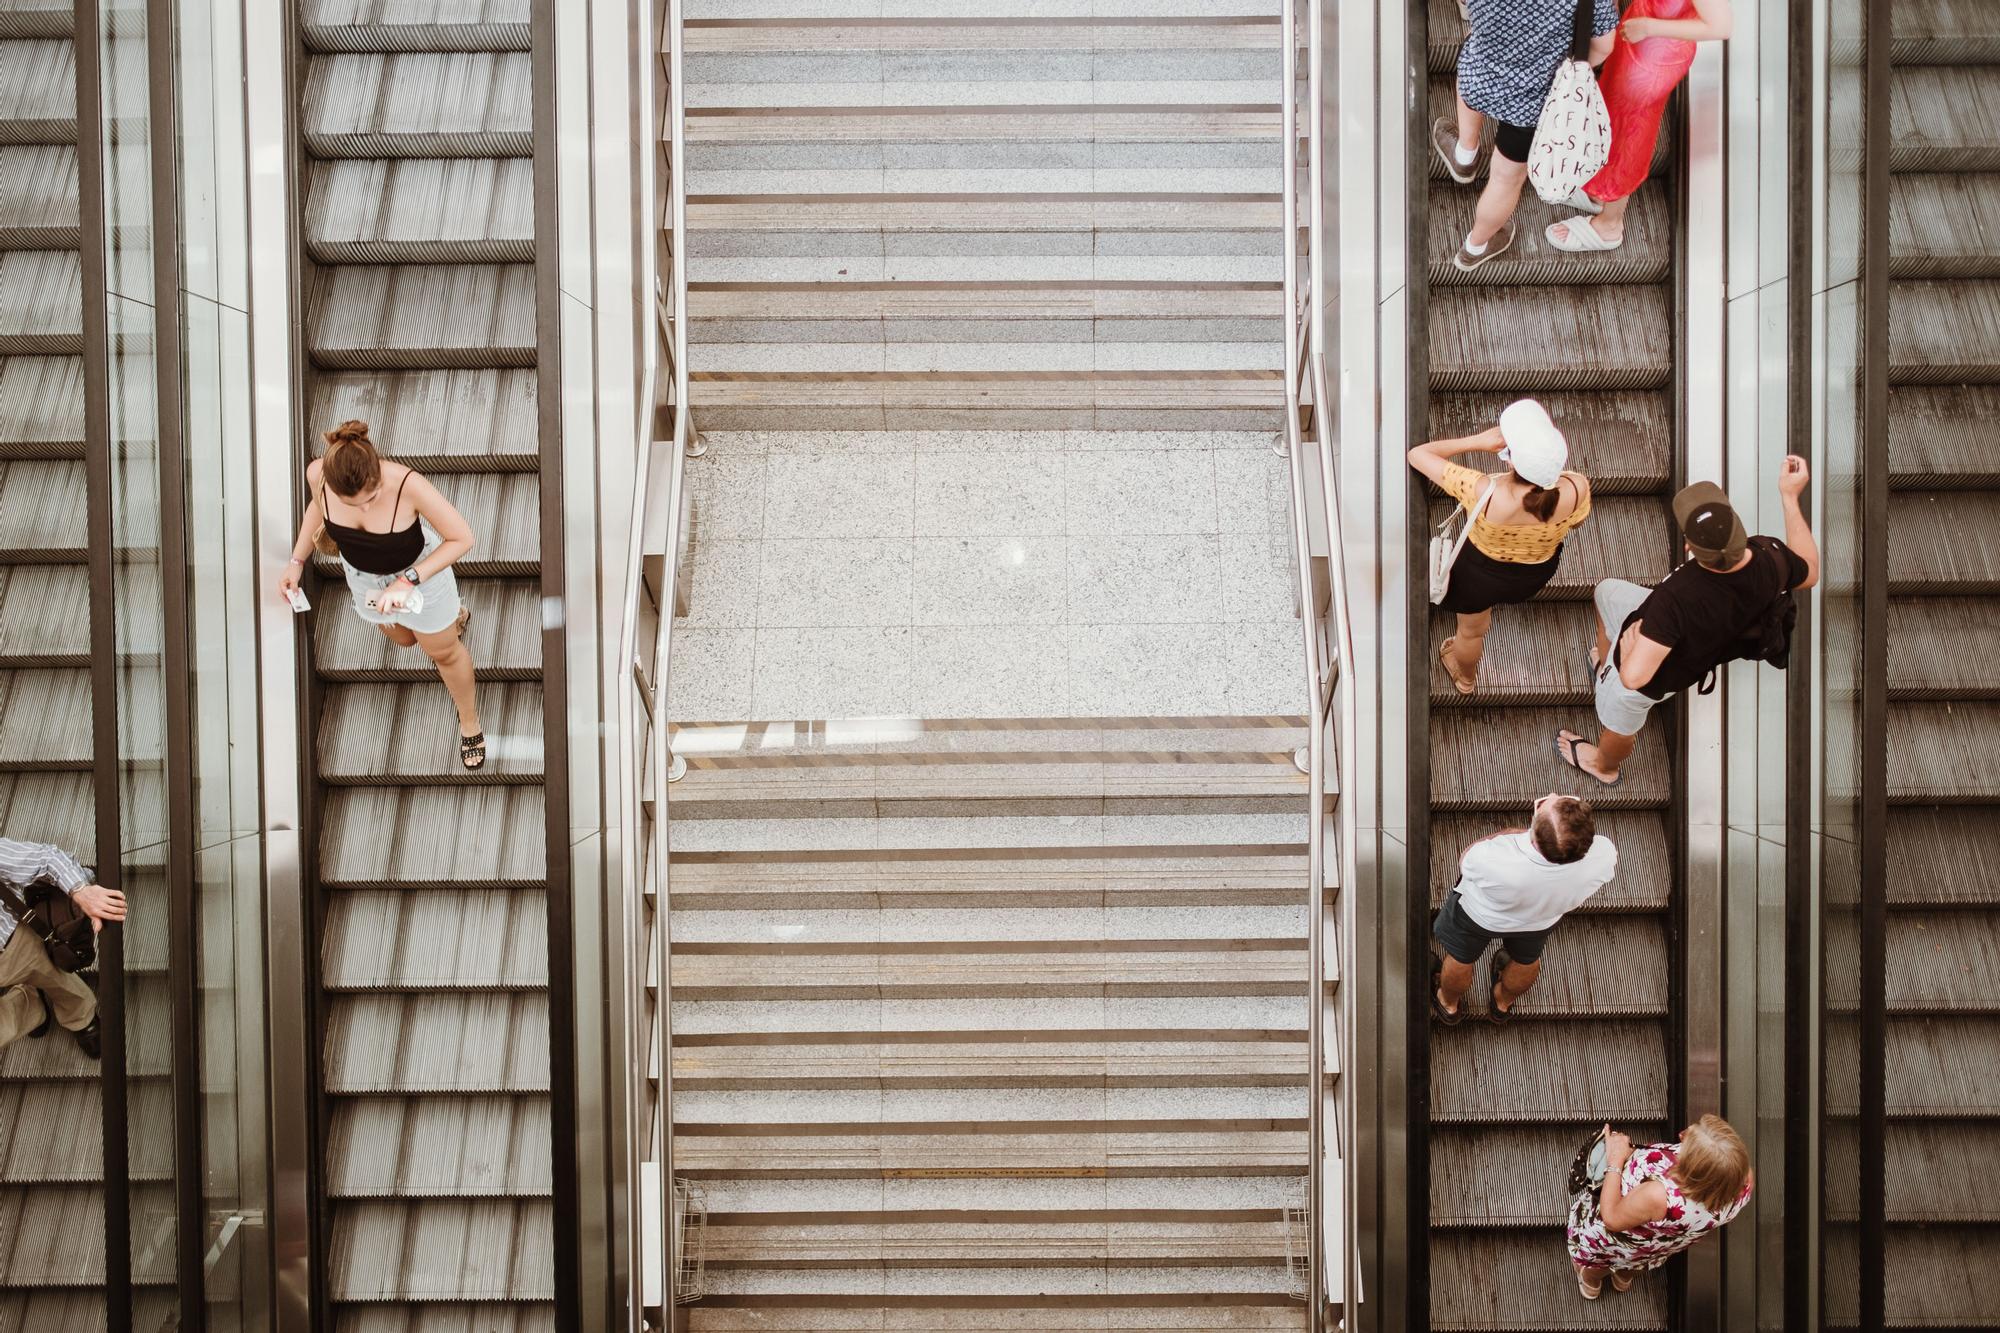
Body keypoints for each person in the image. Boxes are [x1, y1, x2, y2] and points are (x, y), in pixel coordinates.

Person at [1557, 457, 1819, 786]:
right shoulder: (1772, 557)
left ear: (1689, 548)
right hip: (1696, 645)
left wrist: (1629, 653)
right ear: (1738, 529)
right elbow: (1810, 571)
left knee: (1620, 715)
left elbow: (1635, 677)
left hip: (1653, 669)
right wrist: (1790, 497)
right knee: (1607, 593)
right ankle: (1606, 667)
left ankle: (1604, 765)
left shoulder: (1677, 599)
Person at [278, 421, 486, 770]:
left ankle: (469, 722)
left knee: (443, 652)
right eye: (350, 502)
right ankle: (452, 618)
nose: (362, 509)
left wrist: (407, 582)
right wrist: (297, 561)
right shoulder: (319, 474)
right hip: (364, 580)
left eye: (372, 499)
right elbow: (317, 506)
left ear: (377, 475)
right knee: (405, 639)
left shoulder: (408, 484)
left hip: (417, 576)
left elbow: (463, 538)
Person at [1409, 399, 1593, 694]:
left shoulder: (1485, 492)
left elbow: (1418, 455)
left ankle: (1466, 679)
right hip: (1535, 572)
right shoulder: (1576, 486)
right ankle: (1466, 677)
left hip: (1477, 575)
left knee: (1471, 633)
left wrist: (1478, 441)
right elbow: (1576, 522)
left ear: (1509, 458)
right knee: (1483, 619)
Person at [1435, 0, 1618, 271]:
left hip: (1481, 74)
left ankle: (1465, 154)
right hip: (1537, 103)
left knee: (1471, 66)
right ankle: (1475, 247)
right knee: (1505, 179)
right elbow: (1603, 44)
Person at [1547, 0, 1734, 254]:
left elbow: (1721, 26)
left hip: (1652, 57)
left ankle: (1610, 224)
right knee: (1611, 117)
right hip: (1638, 37)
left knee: (1627, 135)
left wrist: (1649, 27)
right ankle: (1597, 191)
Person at [1431, 792, 1615, 1025]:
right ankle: (1502, 1003)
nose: (1551, 795)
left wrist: (1509, 834)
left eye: (1543, 805)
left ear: (1535, 836)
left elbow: (1466, 860)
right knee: (1527, 960)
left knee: (1461, 956)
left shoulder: (1495, 858)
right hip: (1540, 921)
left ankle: (1448, 1003)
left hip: (1478, 916)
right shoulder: (1604, 855)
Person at [1566, 1114, 1753, 1299]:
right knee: (1635, 1262)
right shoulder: (1741, 1181)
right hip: (1658, 1244)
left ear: (1696, 1169)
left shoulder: (1659, 1196)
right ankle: (1623, 1277)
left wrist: (1616, 1160)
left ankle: (1591, 1282)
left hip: (1622, 1235)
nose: (1681, 1134)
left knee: (1599, 1263)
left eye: (1689, 1144)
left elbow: (1612, 1218)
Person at [0, 837, 126, 1059]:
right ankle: (30, 1007)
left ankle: (80, 1015)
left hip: (14, 946)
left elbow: (46, 859)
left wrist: (81, 890)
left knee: (54, 976)